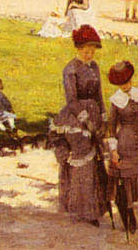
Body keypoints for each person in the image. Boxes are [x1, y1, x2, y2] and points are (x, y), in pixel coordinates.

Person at [106, 60, 138, 231]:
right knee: (127, 181)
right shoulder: (116, 101)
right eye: (122, 84)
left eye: (128, 82)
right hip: (125, 143)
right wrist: (113, 151)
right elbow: (112, 129)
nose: (126, 86)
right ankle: (131, 219)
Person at [49, 94, 107, 226]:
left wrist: (98, 135)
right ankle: (75, 210)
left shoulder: (91, 104)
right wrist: (63, 152)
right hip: (73, 111)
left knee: (88, 177)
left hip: (89, 110)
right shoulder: (66, 113)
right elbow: (56, 136)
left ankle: (90, 212)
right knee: (74, 177)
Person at [63, 24, 105, 111]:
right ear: (79, 49)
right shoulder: (71, 69)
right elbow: (71, 100)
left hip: (94, 110)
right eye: (86, 52)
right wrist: (84, 118)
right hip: (77, 112)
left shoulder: (94, 66)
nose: (89, 55)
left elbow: (99, 94)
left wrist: (102, 112)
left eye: (92, 52)